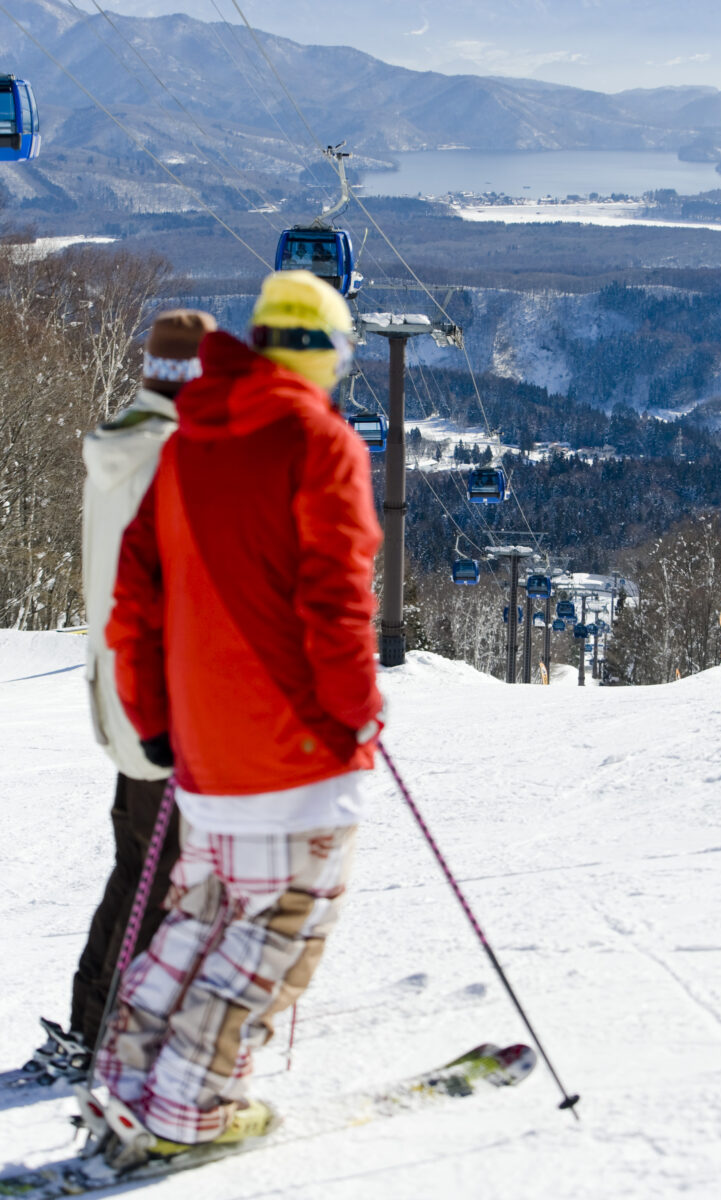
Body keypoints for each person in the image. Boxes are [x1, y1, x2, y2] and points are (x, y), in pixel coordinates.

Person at [96, 270, 383, 1157]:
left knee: (200, 916)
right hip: (294, 746)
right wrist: (358, 712)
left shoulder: (187, 443)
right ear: (324, 352)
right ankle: (191, 1105)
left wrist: (153, 720)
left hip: (205, 748)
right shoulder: (318, 439)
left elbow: (135, 600)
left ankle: (127, 1082)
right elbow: (336, 601)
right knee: (279, 931)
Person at [28, 310, 217, 1080]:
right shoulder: (176, 456)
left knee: (141, 859)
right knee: (161, 869)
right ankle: (107, 1032)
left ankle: (94, 1019)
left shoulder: (120, 442)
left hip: (119, 686)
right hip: (164, 695)